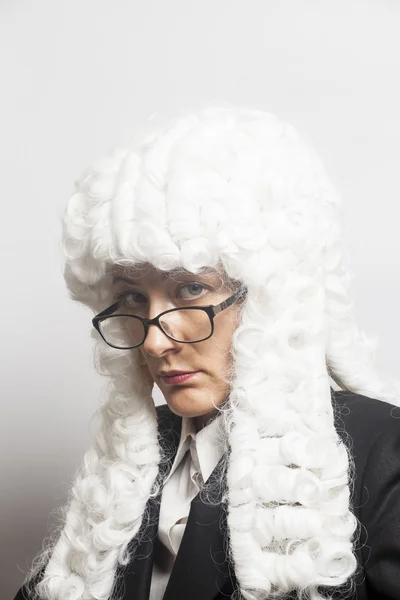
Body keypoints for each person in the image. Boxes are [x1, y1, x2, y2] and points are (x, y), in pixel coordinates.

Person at [13, 105, 400, 600]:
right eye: (133, 297)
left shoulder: (381, 454)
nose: (155, 341)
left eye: (191, 289)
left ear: (269, 297)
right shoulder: (129, 464)